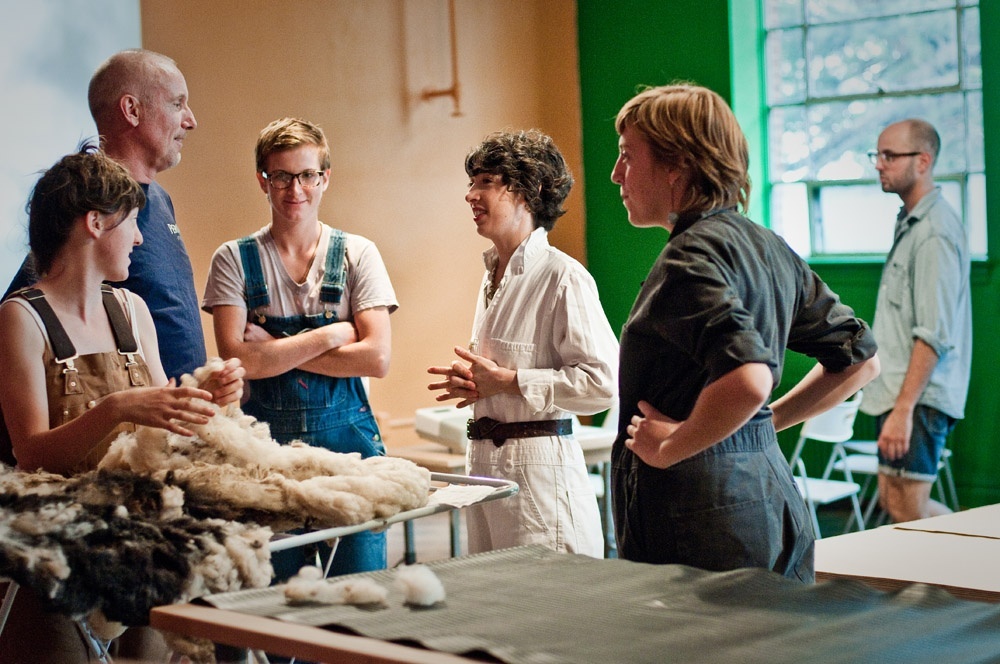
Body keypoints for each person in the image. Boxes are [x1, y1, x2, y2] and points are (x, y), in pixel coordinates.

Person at [609, 84, 880, 582]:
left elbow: (749, 378)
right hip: (769, 497)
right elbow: (861, 360)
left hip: (703, 517)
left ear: (678, 164)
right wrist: (762, 424)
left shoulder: (690, 256)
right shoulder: (766, 245)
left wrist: (672, 446)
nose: (616, 174)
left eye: (628, 156)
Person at [0, 147, 244, 663]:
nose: (138, 237)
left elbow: (165, 432)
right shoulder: (21, 319)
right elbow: (30, 454)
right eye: (131, 223)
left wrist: (210, 401)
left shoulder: (132, 309)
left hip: (141, 536)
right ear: (94, 223)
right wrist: (115, 408)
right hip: (59, 547)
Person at [203, 117, 397, 578]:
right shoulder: (232, 258)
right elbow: (239, 359)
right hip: (266, 458)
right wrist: (332, 334)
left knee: (360, 598)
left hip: (352, 452)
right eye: (282, 176)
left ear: (325, 178)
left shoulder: (358, 254)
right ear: (262, 181)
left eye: (308, 175)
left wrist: (274, 349)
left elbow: (376, 358)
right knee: (278, 604)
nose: (296, 190)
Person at [427, 129, 618, 557]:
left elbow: (602, 385)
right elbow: (508, 373)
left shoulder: (562, 276)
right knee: (498, 608)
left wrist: (509, 381)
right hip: (487, 467)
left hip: (539, 478)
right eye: (471, 182)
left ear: (529, 191)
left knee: (550, 611)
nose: (471, 195)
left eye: (486, 182)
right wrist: (480, 383)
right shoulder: (494, 272)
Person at [4, 48, 205, 381]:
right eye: (177, 103)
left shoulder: (160, 199)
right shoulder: (82, 206)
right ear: (131, 110)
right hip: (127, 427)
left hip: (181, 417)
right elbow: (27, 307)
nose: (190, 120)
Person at [861, 119, 972, 524]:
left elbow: (933, 334)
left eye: (890, 156)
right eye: (877, 155)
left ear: (923, 161)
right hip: (898, 393)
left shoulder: (935, 232)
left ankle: (973, 574)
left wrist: (904, 409)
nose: (879, 164)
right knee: (898, 504)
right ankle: (978, 559)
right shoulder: (912, 223)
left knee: (908, 509)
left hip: (918, 398)